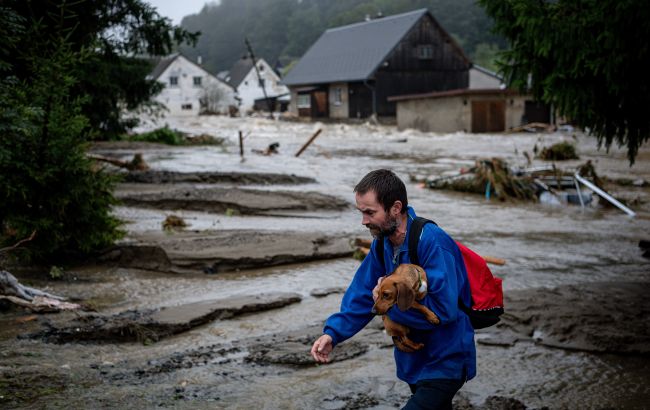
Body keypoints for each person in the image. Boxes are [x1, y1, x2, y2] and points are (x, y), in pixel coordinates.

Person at [310, 169, 476, 410]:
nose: (363, 221)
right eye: (361, 212)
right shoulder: (383, 245)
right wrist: (333, 334)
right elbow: (361, 294)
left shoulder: (433, 242)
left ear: (395, 208)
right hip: (413, 361)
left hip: (445, 361)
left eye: (370, 212)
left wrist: (389, 306)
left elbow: (443, 312)